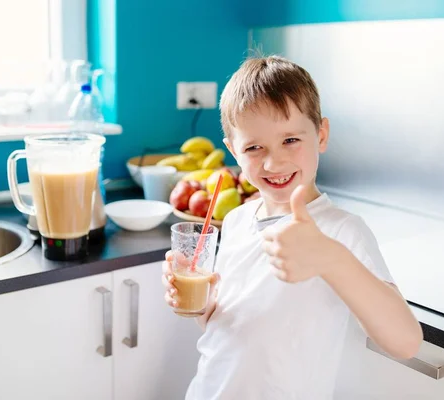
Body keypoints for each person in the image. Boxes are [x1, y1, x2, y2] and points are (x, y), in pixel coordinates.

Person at [161, 55, 423, 400]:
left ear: (321, 135)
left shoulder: (341, 232)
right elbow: (225, 323)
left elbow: (405, 343)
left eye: (290, 141)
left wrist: (331, 258)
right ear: (234, 152)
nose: (274, 162)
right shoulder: (238, 219)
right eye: (254, 147)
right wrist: (199, 303)